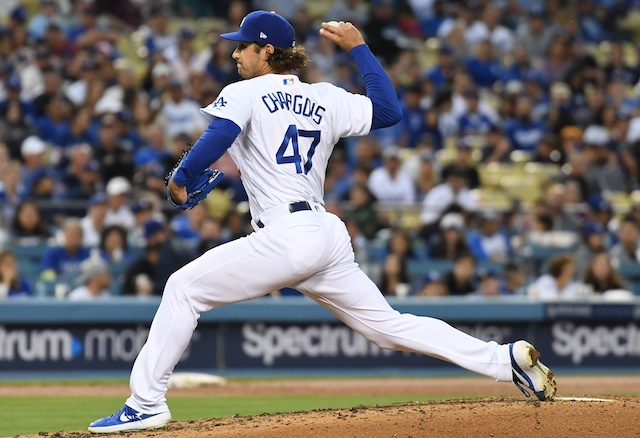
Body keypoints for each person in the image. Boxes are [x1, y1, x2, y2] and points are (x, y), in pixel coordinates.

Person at [88, 12, 556, 433]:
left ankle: (145, 403)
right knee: (388, 327)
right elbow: (389, 111)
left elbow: (220, 133)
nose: (234, 53)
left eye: (243, 46)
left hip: (287, 236)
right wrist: (359, 49)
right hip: (325, 235)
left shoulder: (245, 91)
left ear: (266, 51)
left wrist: (182, 177)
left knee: (182, 289)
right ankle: (503, 359)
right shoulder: (326, 97)